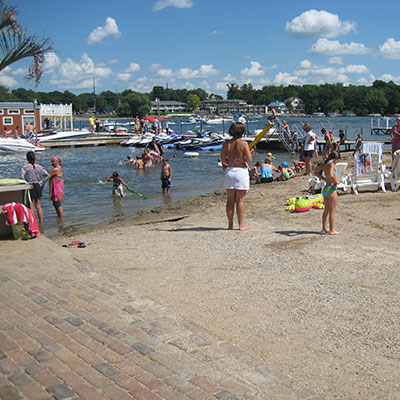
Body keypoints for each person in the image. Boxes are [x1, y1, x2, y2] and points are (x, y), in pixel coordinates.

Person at [220, 122, 252, 230]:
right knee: (240, 200)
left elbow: (223, 160)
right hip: (241, 171)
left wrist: (231, 159)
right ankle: (241, 225)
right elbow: (249, 159)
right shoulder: (243, 144)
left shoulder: (226, 144)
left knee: (230, 200)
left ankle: (230, 225)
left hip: (230, 171)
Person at [314, 151, 341, 235]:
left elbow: (315, 173)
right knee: (332, 211)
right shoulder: (331, 164)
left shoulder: (324, 164)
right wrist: (337, 182)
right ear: (336, 159)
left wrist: (324, 179)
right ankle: (332, 230)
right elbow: (331, 175)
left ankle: (324, 228)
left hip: (325, 189)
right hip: (331, 189)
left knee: (326, 210)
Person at [21, 151, 49, 225]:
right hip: (37, 185)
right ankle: (41, 222)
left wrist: (25, 184)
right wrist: (41, 182)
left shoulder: (25, 167)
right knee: (39, 206)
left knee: (31, 206)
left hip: (30, 186)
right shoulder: (38, 166)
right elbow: (47, 175)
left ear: (27, 158)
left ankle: (32, 223)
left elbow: (22, 177)